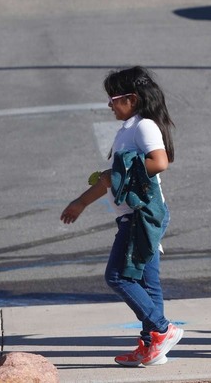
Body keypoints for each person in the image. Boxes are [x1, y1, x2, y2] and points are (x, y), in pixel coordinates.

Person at [60, 66, 184, 367]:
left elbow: (160, 161)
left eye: (114, 98)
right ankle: (150, 347)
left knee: (118, 276)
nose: (110, 104)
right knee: (147, 284)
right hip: (137, 215)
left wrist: (118, 172)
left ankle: (161, 329)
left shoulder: (143, 126)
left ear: (132, 98)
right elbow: (111, 179)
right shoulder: (130, 128)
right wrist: (80, 202)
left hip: (140, 215)